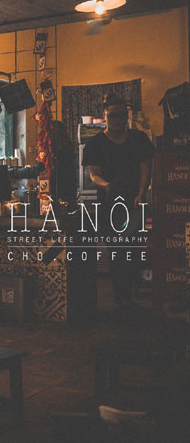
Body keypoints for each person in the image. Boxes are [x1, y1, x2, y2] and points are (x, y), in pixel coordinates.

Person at [82, 95, 154, 308]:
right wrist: (107, 186)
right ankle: (121, 296)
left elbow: (145, 169)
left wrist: (141, 194)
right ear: (105, 117)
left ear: (127, 116)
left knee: (133, 250)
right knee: (115, 251)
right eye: (112, 115)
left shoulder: (139, 139)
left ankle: (131, 293)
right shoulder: (95, 144)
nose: (117, 119)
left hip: (134, 203)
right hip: (109, 204)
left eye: (122, 115)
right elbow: (93, 174)